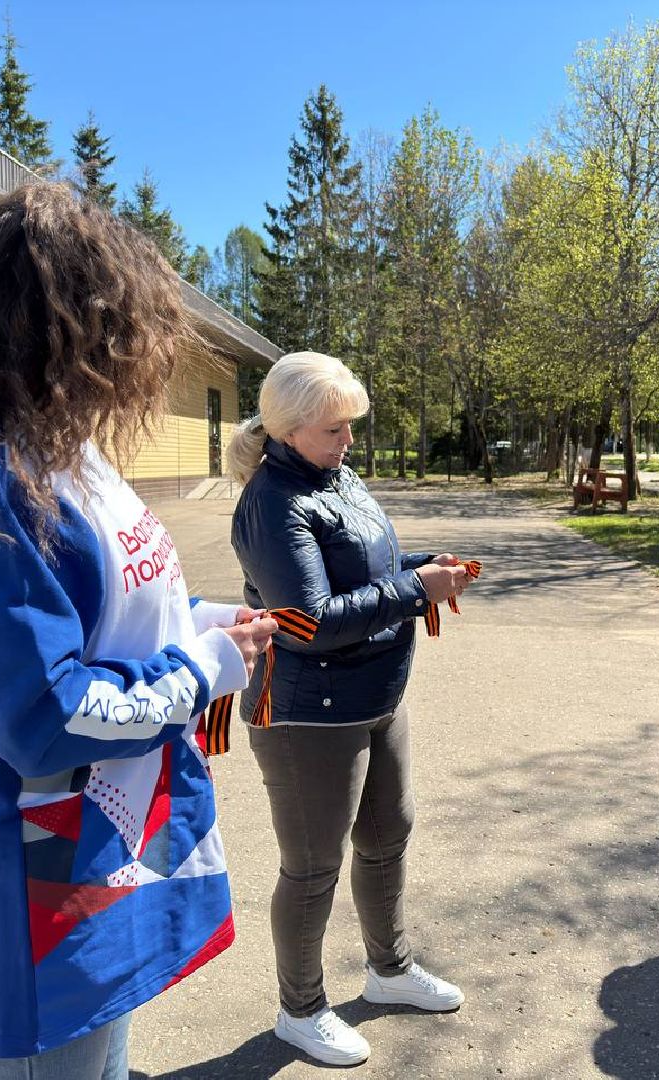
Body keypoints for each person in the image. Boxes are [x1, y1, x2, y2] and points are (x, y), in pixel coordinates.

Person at [0, 183, 278, 1079]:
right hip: (35, 887)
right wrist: (201, 670)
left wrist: (201, 623)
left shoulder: (67, 460)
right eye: (129, 327)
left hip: (92, 862)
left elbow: (104, 614)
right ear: (72, 328)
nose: (145, 356)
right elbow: (45, 715)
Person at [226, 351, 473, 1067]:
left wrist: (425, 566)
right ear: (291, 428)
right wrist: (415, 590)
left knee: (389, 834)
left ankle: (388, 970)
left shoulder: (336, 475)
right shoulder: (273, 504)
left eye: (350, 427)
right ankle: (299, 1010)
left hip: (375, 695)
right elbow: (309, 621)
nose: (349, 441)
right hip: (309, 714)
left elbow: (366, 567)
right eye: (335, 428)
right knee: (311, 868)